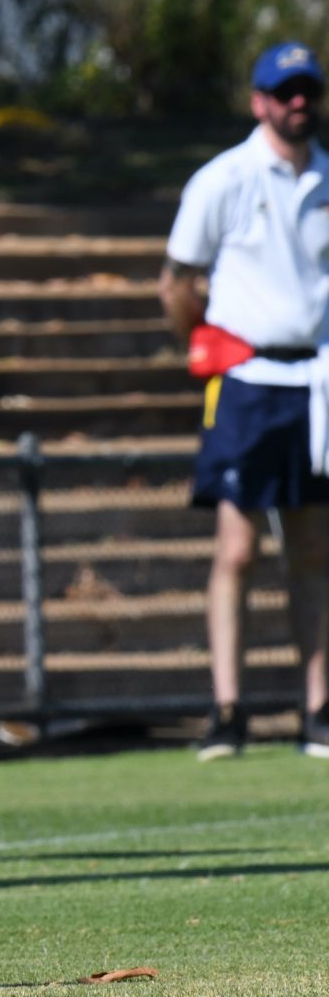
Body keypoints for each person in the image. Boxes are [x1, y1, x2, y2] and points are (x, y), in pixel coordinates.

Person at [158, 40, 329, 763]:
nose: (298, 102)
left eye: (307, 90)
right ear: (259, 100)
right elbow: (178, 280)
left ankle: (317, 707)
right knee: (237, 547)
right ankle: (227, 709)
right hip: (247, 382)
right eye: (283, 91)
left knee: (314, 550)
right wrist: (204, 346)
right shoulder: (222, 178)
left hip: (317, 382)